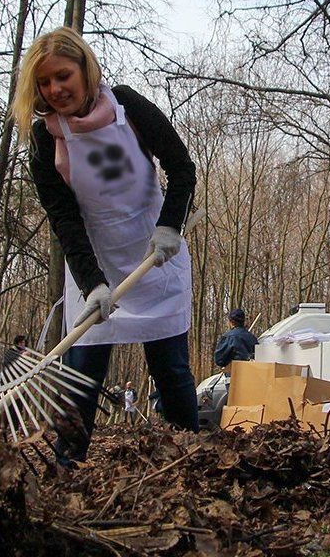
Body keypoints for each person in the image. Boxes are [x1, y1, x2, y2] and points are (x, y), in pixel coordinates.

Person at [11, 26, 198, 464]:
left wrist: (170, 226)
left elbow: (181, 166)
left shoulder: (128, 106)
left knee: (171, 372)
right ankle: (65, 471)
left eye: (63, 76)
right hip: (95, 267)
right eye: (44, 82)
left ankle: (192, 462)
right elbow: (65, 222)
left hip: (156, 260)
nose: (55, 89)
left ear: (85, 69)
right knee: (81, 379)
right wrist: (92, 283)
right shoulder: (43, 141)